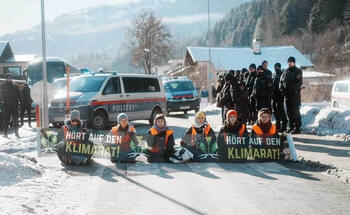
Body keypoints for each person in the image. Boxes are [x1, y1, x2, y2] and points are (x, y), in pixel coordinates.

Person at [280, 56, 303, 134]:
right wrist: (282, 90)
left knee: (295, 112)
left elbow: (299, 83)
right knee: (289, 112)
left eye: (291, 62)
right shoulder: (285, 71)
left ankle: (297, 127)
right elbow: (281, 81)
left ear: (294, 62)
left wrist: (292, 89)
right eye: (289, 62)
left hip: (294, 95)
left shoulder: (297, 71)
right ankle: (291, 127)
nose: (289, 63)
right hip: (287, 95)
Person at [0, 73, 21, 138]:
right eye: (8, 78)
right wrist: (1, 104)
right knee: (6, 120)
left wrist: (20, 104)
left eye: (10, 78)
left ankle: (16, 132)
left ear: (11, 78)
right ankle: (5, 133)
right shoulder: (3, 86)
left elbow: (19, 95)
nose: (9, 79)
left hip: (14, 105)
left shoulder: (15, 86)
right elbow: (0, 96)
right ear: (6, 79)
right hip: (6, 106)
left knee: (15, 120)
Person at [272, 63, 288, 132]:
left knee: (281, 110)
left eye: (278, 67)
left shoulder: (282, 75)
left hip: (280, 95)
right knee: (275, 110)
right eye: (275, 67)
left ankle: (284, 125)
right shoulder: (274, 75)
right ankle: (278, 124)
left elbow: (283, 85)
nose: (276, 68)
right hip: (274, 95)